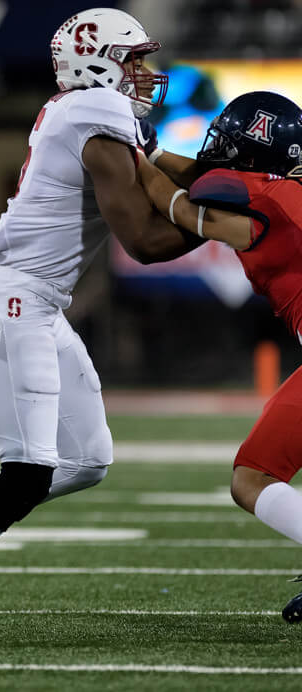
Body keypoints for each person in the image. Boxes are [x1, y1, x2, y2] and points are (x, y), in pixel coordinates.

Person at [0, 7, 207, 633]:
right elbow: (144, 241)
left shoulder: (89, 110)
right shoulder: (96, 111)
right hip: (13, 302)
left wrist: (248, 178)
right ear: (98, 65)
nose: (146, 72)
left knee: (87, 459)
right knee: (30, 471)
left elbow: (167, 167)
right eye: (134, 59)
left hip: (31, 299)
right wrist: (235, 226)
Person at [136, 90, 302, 624]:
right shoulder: (286, 193)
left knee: (252, 478)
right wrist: (156, 152)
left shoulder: (265, 202)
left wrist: (134, 158)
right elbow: (209, 175)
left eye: (229, 145)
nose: (216, 152)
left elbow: (186, 206)